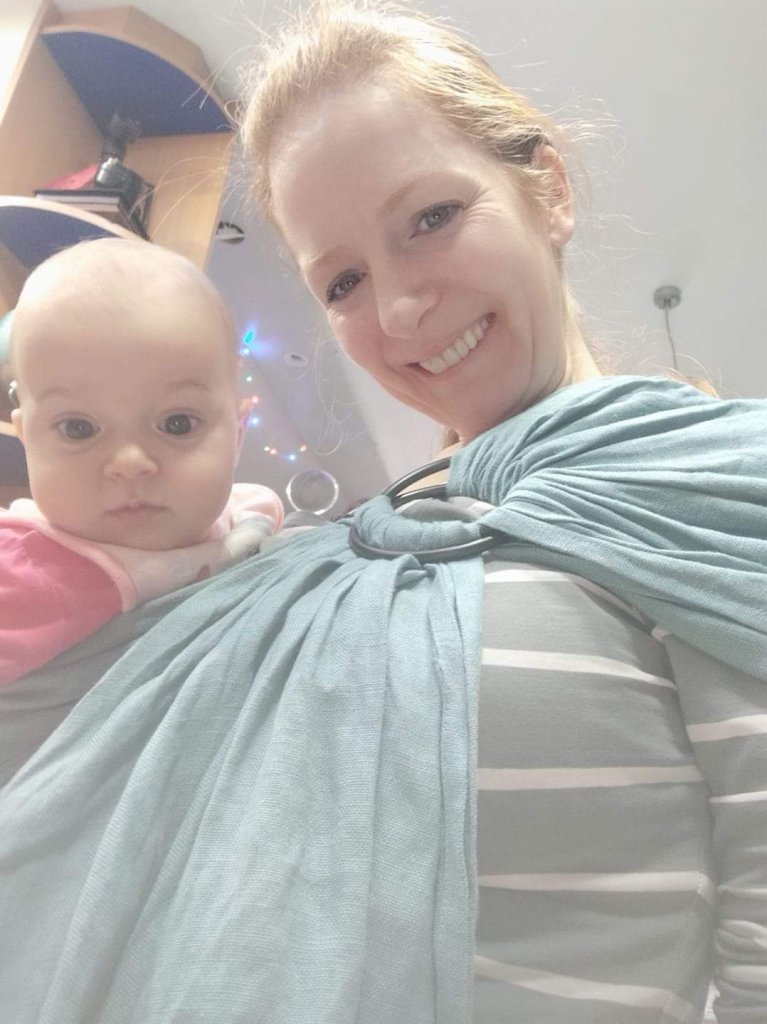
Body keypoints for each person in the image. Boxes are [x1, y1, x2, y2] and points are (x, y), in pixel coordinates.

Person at [0, 4, 764, 1024]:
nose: (399, 309)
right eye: (344, 280)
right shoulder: (318, 559)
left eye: (430, 218)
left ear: (547, 188)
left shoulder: (716, 481)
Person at [0, 238, 283, 684]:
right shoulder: (21, 571)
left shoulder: (250, 516)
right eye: (78, 428)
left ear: (238, 433)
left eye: (177, 424)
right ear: (26, 437)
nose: (129, 462)